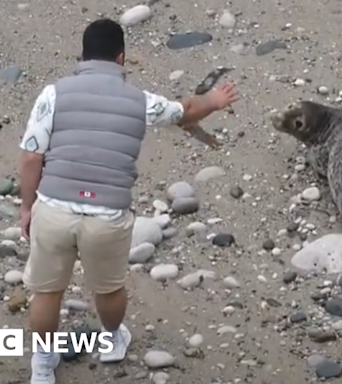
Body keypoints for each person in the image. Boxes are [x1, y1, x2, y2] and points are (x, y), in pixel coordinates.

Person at [19, 18, 239, 384]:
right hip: (106, 214)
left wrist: (27, 208)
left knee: (47, 291)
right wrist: (214, 101)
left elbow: (30, 156)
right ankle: (112, 340)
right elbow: (183, 112)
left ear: (83, 55)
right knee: (108, 288)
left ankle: (42, 365)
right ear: (121, 58)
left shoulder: (53, 94)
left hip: (55, 208)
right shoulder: (141, 101)